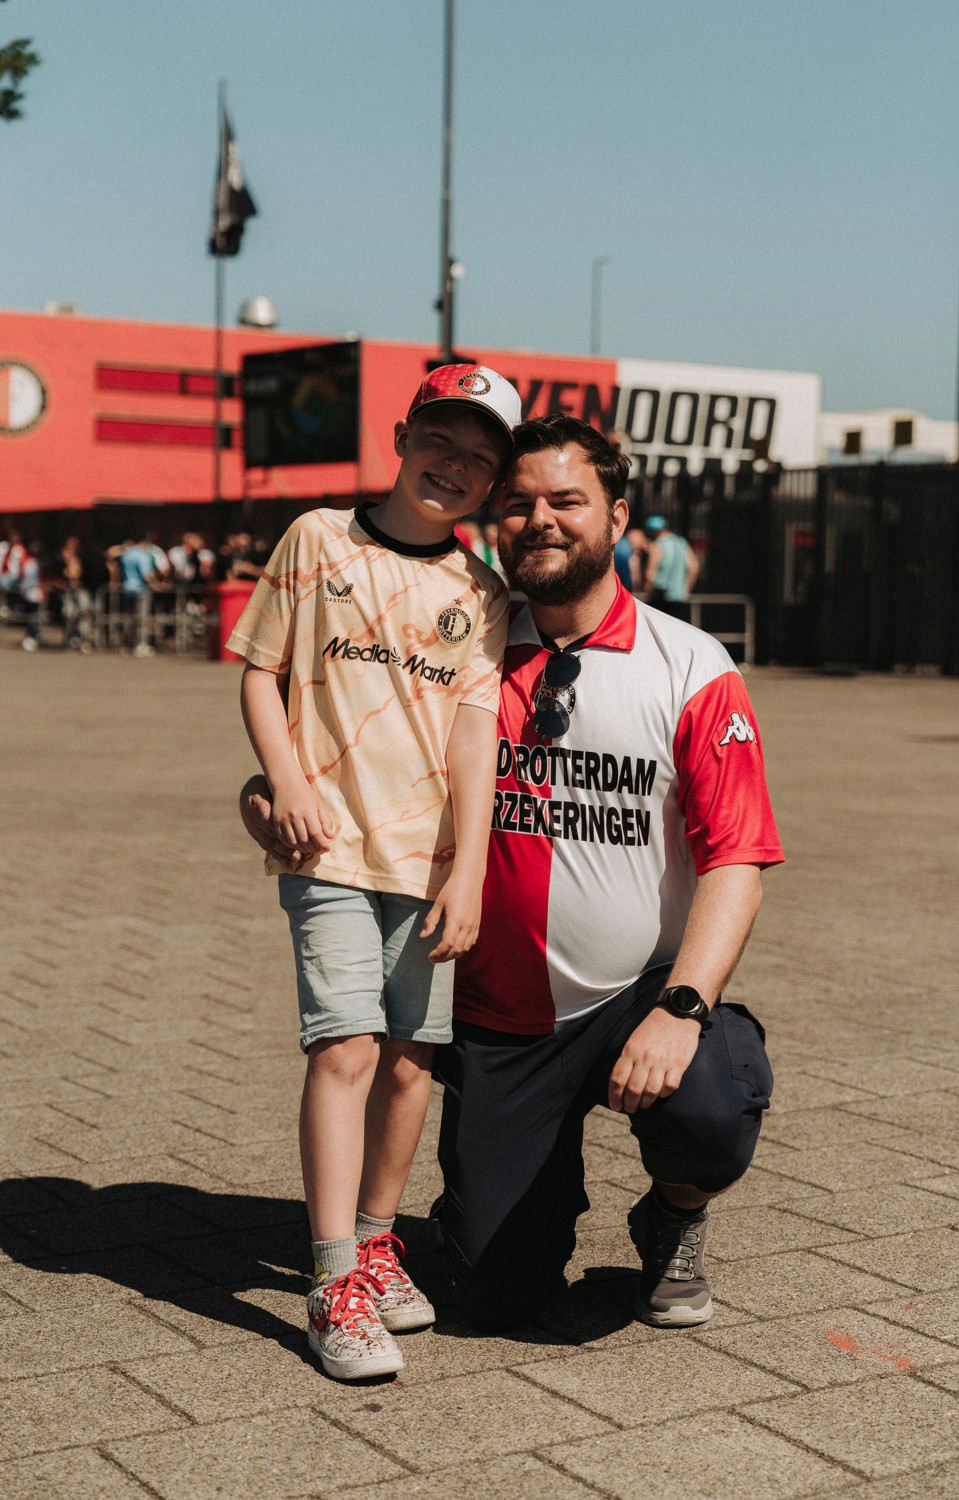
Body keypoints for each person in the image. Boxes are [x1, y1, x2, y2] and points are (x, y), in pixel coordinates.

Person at [241, 413, 782, 1337]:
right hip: (500, 1022)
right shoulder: (472, 639)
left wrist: (683, 1006)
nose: (541, 520)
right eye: (520, 503)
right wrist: (265, 795)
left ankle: (675, 1213)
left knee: (711, 1105)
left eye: (567, 500)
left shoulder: (690, 665)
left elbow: (737, 858)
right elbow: (345, 748)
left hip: (636, 997)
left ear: (617, 516)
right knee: (496, 1294)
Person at [226, 364, 519, 1380]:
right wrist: (284, 781)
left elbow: (476, 736)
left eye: (480, 458)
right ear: (400, 436)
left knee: (409, 1062)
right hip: (331, 849)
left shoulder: (482, 592)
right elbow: (260, 670)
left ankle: (379, 1239)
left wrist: (469, 868)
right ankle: (331, 1280)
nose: (455, 466)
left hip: (427, 864)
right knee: (345, 1049)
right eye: (441, 440)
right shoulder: (317, 538)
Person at [644, 513, 700, 616]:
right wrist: (685, 590)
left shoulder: (657, 545)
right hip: (679, 597)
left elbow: (650, 573)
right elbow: (694, 567)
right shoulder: (681, 542)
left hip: (660, 597)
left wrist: (647, 591)